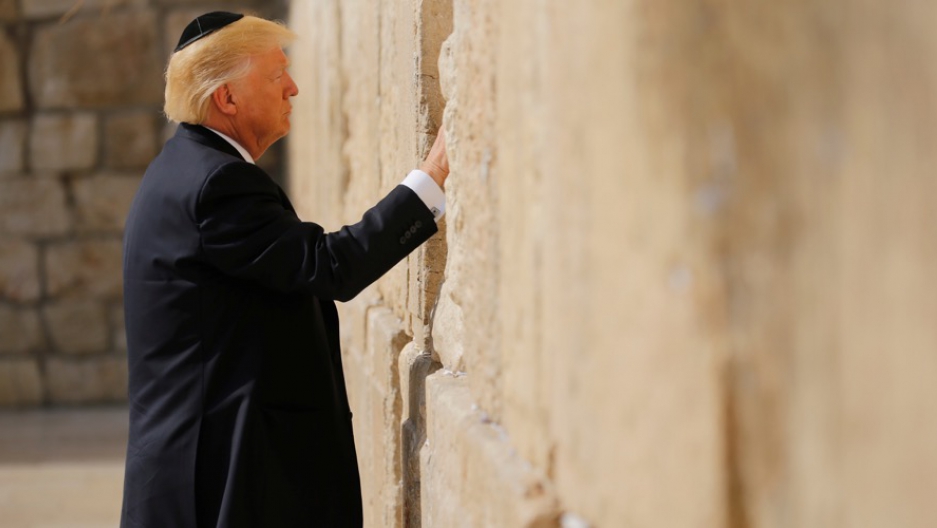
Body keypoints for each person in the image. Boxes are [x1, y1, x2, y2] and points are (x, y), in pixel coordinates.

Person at [120, 12, 449, 528]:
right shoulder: (216, 187)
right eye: (276, 75)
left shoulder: (184, 169)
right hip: (222, 484)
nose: (293, 87)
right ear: (226, 98)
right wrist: (433, 177)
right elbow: (328, 265)